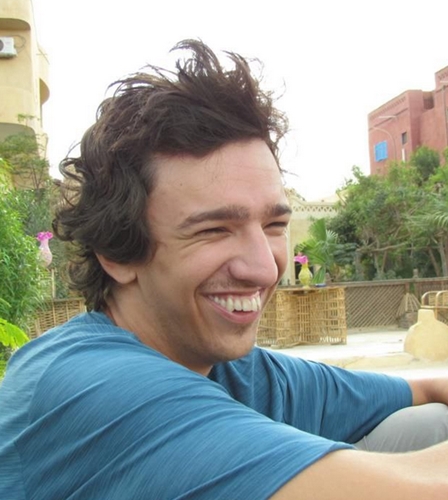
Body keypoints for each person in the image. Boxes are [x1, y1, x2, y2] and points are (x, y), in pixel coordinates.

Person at [1, 39, 448, 500]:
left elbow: (425, 388)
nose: (264, 269)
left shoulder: (235, 372)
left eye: (274, 225)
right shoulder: (89, 386)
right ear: (117, 252)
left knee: (430, 422)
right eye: (214, 230)